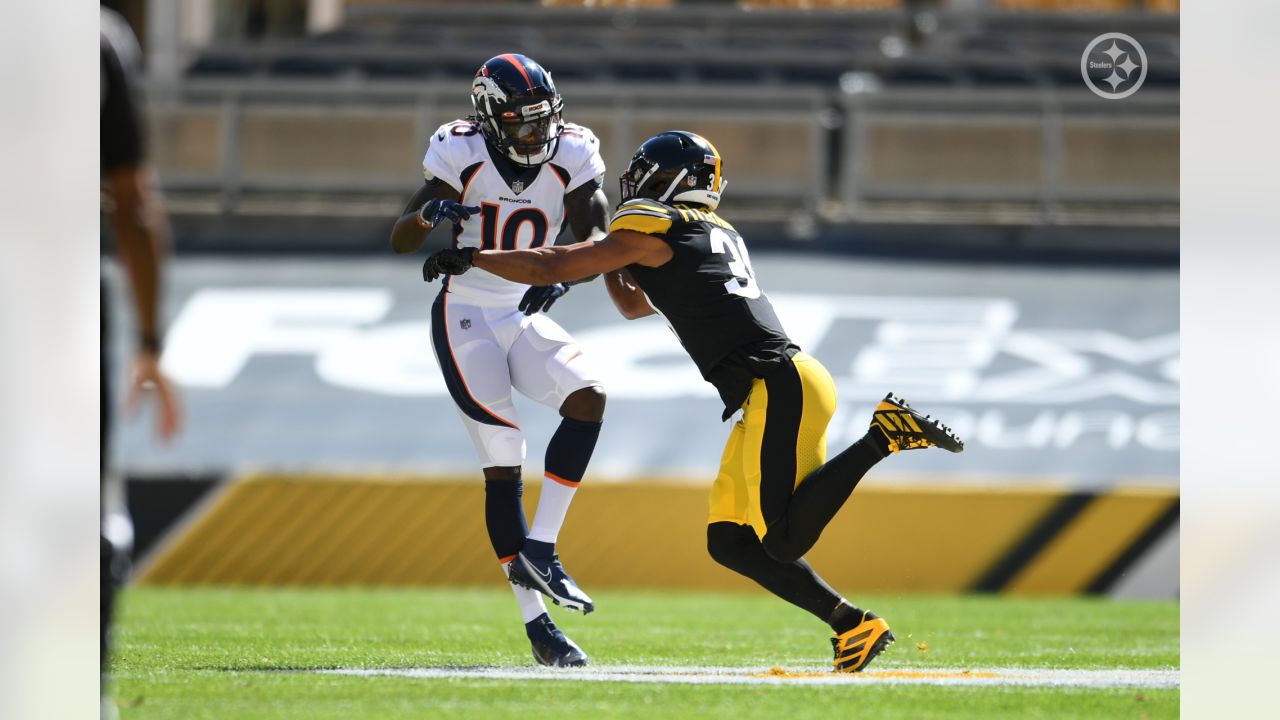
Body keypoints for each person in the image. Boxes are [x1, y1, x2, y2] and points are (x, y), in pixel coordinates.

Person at [421, 130, 965, 673]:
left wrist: (473, 256)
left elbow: (550, 265)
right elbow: (634, 305)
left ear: (669, 179)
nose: (633, 183)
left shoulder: (655, 223)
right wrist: (610, 259)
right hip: (771, 390)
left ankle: (882, 436)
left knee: (781, 537)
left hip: (778, 383)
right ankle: (852, 625)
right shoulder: (708, 228)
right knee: (729, 541)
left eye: (645, 174)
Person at [389, 53, 612, 667]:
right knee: (504, 455)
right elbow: (402, 235)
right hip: (467, 314)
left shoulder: (573, 151)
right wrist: (432, 215)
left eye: (543, 121)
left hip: (524, 309)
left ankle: (542, 547)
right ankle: (538, 626)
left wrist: (559, 275)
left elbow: (594, 236)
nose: (536, 135)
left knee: (588, 394)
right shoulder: (458, 151)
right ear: (488, 119)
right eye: (521, 123)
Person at [101, 4, 183, 710]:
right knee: (81, 512)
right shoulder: (93, 39)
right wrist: (151, 340)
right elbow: (131, 202)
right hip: (45, 296)